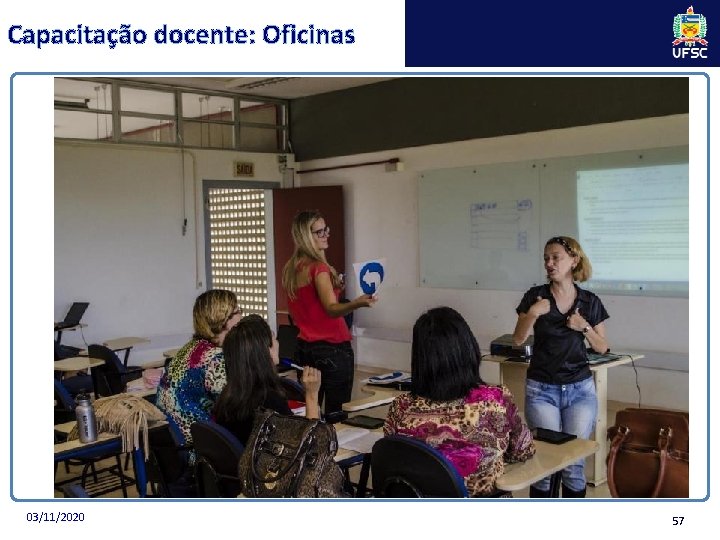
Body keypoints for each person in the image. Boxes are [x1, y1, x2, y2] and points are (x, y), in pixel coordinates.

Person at [384, 307, 535, 497]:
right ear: (468, 348)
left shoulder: (401, 406)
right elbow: (523, 451)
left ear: (420, 358)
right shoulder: (495, 400)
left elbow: (394, 460)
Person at [513, 235, 609, 498]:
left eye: (556, 257)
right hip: (541, 390)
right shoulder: (535, 297)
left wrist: (584, 327)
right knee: (544, 464)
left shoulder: (590, 301)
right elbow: (518, 339)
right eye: (546, 258)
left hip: (580, 390)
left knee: (572, 465)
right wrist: (533, 313)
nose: (550, 263)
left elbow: (602, 347)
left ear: (573, 260)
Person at [281, 210, 377, 419]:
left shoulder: (291, 268)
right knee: (336, 414)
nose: (326, 235)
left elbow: (307, 306)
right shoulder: (319, 268)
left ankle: (311, 447)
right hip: (333, 349)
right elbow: (331, 309)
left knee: (310, 407)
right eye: (319, 232)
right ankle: (334, 451)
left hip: (305, 347)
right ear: (306, 236)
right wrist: (356, 303)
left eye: (326, 229)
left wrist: (335, 289)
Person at [214, 314, 322, 445]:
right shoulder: (269, 400)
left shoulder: (227, 397)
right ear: (267, 350)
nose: (277, 343)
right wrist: (311, 395)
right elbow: (310, 446)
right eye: (274, 338)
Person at [156, 289, 243, 446]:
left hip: (172, 444)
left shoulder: (190, 348)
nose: (242, 317)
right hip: (198, 447)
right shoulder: (215, 358)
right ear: (225, 319)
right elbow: (236, 407)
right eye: (238, 311)